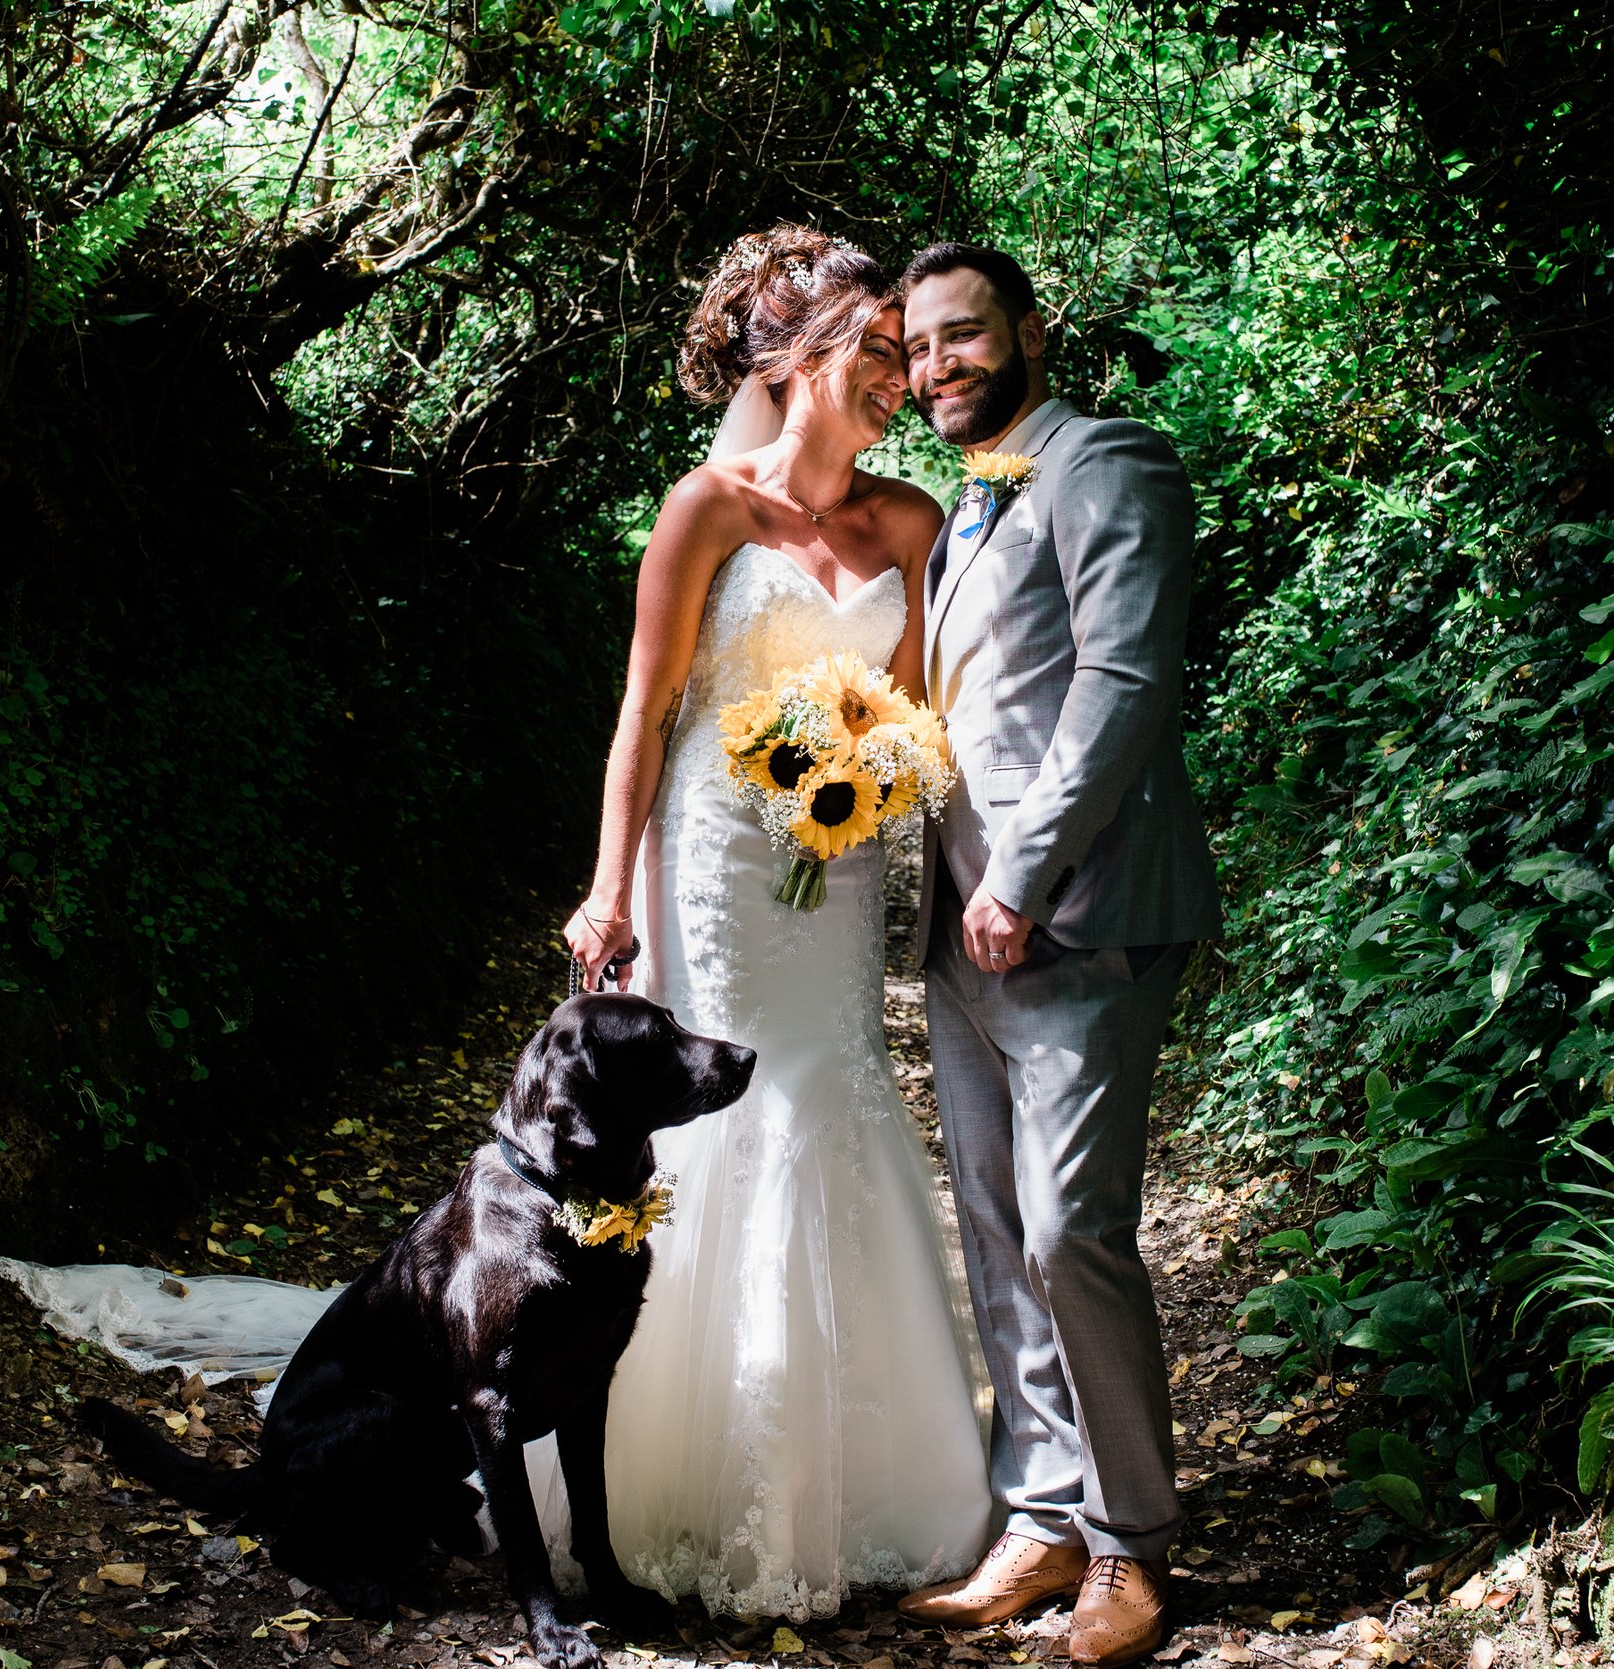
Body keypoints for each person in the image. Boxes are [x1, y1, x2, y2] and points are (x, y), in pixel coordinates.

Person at [559, 224, 995, 1620]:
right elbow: (644, 713)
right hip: (717, 858)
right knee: (727, 1111)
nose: (898, 378)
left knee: (834, 1095)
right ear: (801, 357)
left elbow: (924, 709)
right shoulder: (706, 509)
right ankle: (688, 1473)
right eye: (877, 350)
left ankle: (852, 1477)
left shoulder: (911, 523)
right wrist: (608, 886)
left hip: (839, 860)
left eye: (903, 357)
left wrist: (880, 773)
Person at [889, 244, 1219, 1668]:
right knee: (991, 1220)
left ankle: (1132, 1536)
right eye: (918, 348)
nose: (937, 367)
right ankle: (1043, 1515)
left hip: (1080, 913)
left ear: (1029, 332)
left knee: (1068, 1227)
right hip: (960, 927)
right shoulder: (971, 500)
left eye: (962, 337)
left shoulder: (1108, 461)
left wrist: (1022, 875)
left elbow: (1123, 679)